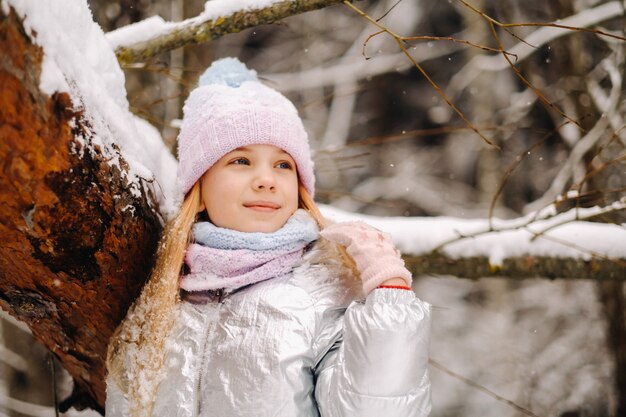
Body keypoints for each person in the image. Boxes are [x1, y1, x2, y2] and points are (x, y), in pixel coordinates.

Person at [105, 57, 431, 417]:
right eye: (240, 161)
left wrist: (391, 296)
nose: (266, 179)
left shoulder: (324, 294)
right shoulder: (163, 296)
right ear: (200, 181)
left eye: (282, 164)